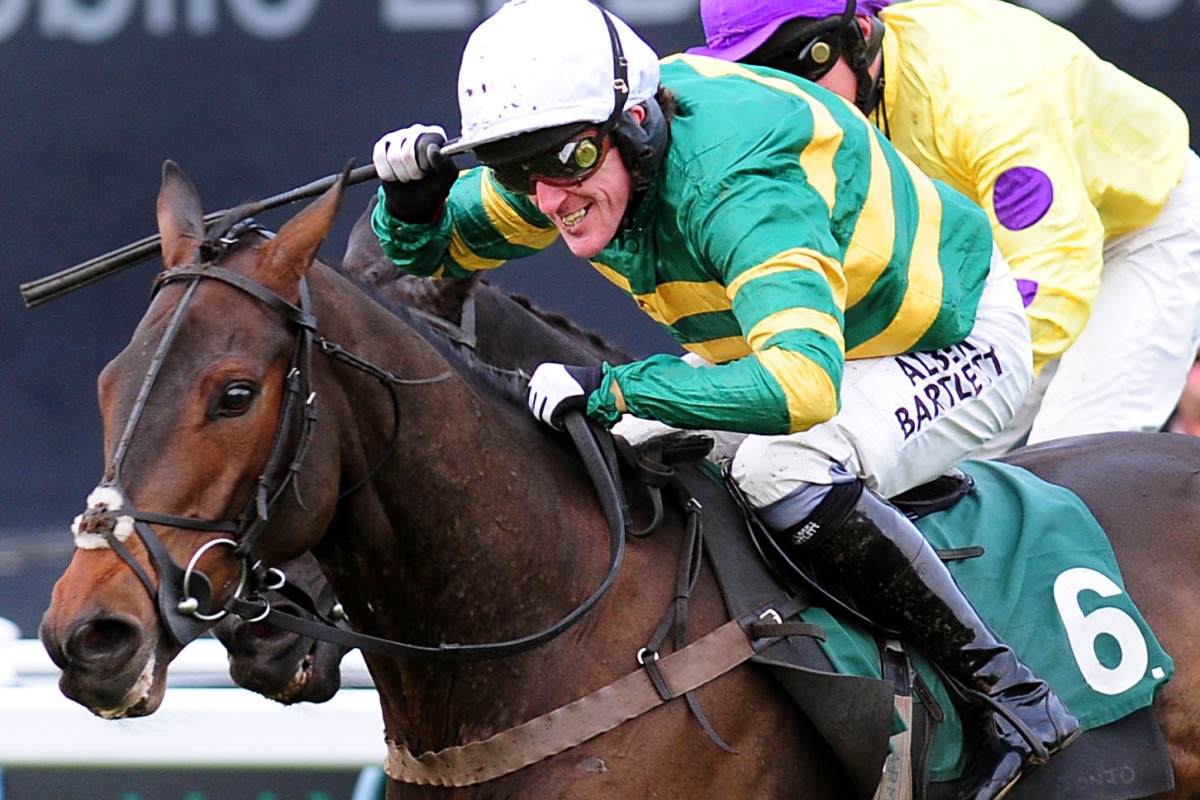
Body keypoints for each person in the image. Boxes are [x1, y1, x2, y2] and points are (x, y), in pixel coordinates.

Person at [368, 0, 1077, 796]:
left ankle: (1010, 697)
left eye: (566, 161)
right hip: (802, 346)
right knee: (618, 447)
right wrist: (413, 201)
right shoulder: (571, 159)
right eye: (515, 170)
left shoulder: (737, 180)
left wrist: (614, 387)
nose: (548, 198)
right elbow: (426, 251)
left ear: (637, 123)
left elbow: (800, 387)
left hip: (948, 339)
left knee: (781, 468)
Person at [688, 0, 1200, 455]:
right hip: (998, 253)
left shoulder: (985, 92)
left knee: (1069, 461)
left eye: (800, 61)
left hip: (1140, 233)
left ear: (860, 34)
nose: (791, 93)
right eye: (757, 72)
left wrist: (946, 384)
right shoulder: (810, 120)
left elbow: (1055, 265)